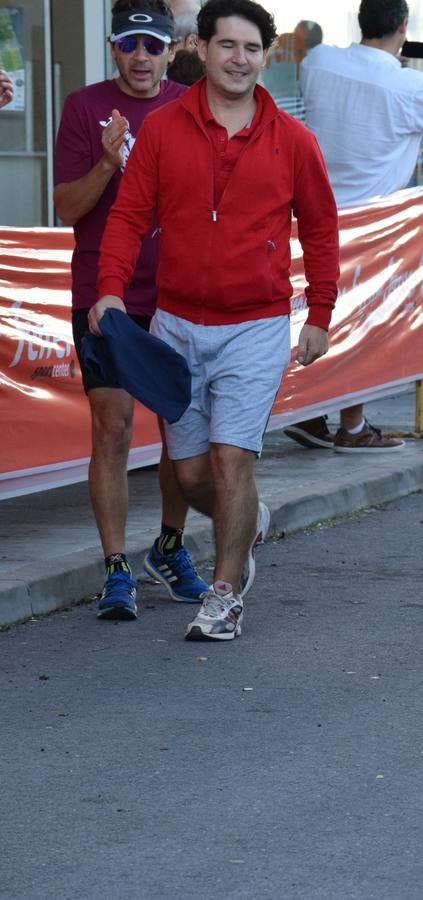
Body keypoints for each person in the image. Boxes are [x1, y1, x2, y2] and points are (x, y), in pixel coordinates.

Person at [93, 0, 339, 642]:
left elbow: (319, 229)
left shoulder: (295, 141)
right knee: (191, 472)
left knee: (231, 460)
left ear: (267, 55)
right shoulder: (165, 130)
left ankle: (225, 594)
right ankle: (246, 521)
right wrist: (110, 291)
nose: (239, 59)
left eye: (251, 48)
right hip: (173, 325)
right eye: (226, 45)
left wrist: (320, 311)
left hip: (254, 327)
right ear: (200, 49)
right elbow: (125, 219)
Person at [54, 0, 206, 621]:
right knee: (112, 428)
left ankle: (168, 545)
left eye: (152, 45)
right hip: (104, 294)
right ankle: (116, 567)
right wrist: (110, 161)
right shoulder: (84, 107)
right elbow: (67, 207)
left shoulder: (189, 106)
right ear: (112, 47)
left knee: (181, 433)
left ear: (171, 50)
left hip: (175, 291)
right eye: (129, 45)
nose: (140, 57)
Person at [282, 0, 423, 454]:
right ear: (403, 27)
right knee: (363, 324)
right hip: (375, 224)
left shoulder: (319, 61)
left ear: (361, 21)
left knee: (318, 315)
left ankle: (311, 412)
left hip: (316, 215)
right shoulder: (407, 85)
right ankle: (352, 426)